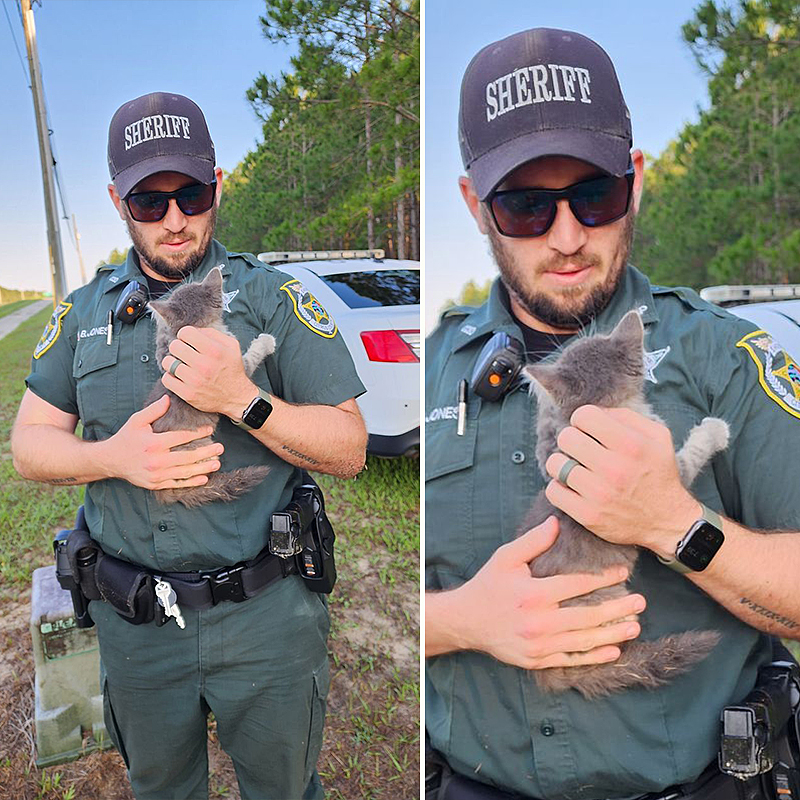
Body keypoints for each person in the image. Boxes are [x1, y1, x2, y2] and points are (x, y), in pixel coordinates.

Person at [425, 28, 800, 800]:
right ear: (473, 203)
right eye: (526, 206)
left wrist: (675, 523)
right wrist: (461, 619)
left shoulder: (726, 357)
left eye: (594, 195)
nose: (567, 239)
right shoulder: (433, 371)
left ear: (635, 179)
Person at [12, 91, 368, 800]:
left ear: (218, 186)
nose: (175, 220)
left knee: (285, 789)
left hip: (265, 620)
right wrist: (109, 458)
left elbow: (349, 445)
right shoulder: (84, 312)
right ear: (119, 201)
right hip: (136, 626)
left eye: (191, 194)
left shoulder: (272, 298)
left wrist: (243, 398)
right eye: (150, 200)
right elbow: (28, 444)